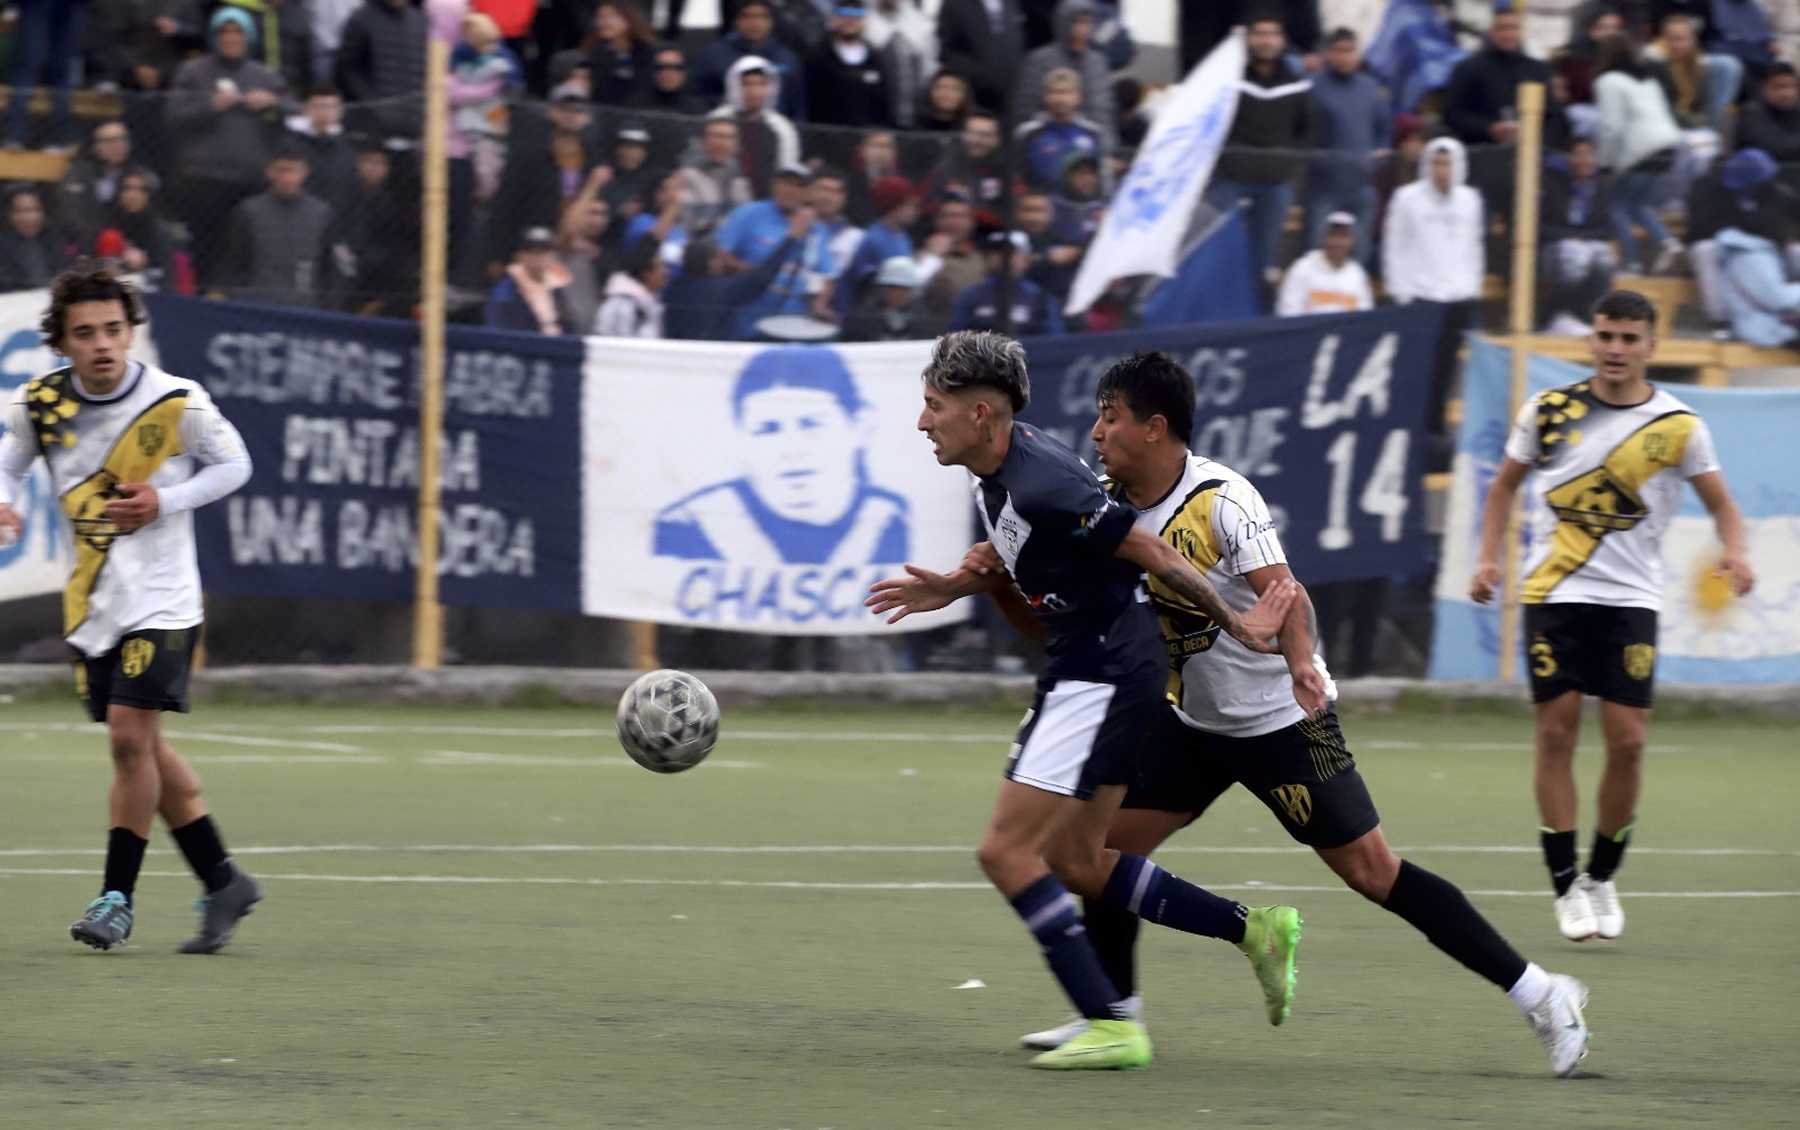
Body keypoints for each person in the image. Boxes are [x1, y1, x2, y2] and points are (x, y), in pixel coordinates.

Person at [988, 351, 1595, 1077]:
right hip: (1188, 722)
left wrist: (1302, 661)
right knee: (1099, 857)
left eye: (1109, 417)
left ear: (1154, 428)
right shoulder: (1105, 502)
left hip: (1278, 722)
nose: (1094, 433)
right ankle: (1113, 1015)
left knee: (1374, 872)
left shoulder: (1223, 500)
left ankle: (1543, 994)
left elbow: (1289, 595)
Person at [863, 331, 1300, 1070]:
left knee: (1006, 852)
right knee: (1077, 859)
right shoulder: (1002, 463)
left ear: (979, 414)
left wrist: (1241, 623)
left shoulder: (1042, 480)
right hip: (1099, 665)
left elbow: (1151, 553)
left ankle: (1112, 1024)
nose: (921, 422)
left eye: (933, 406)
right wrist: (954, 584)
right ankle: (1254, 930)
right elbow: (1034, 548)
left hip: (1102, 671)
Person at [1471, 289, 1755, 944]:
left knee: (1628, 741)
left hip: (1632, 600)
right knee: (1557, 734)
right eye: (1606, 336)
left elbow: (1725, 506)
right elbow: (1504, 486)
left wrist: (1736, 553)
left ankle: (1603, 875)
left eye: (1630, 338)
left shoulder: (1681, 426)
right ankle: (1567, 883)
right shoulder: (1549, 410)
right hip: (1555, 594)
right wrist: (1488, 560)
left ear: (1653, 345)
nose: (1616, 349)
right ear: (1592, 340)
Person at [0, 265, 262, 955]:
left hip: (166, 599)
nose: (104, 345)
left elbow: (235, 465)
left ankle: (116, 899)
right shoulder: (41, 403)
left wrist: (164, 501)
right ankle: (223, 879)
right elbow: (10, 458)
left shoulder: (177, 400)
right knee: (143, 746)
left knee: (126, 739)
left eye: (114, 329)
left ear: (130, 330)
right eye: (85, 333)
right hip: (95, 603)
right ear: (61, 343)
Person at [655, 346, 910, 563]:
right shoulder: (689, 524)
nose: (791, 449)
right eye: (767, 429)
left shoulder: (896, 522)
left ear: (860, 426)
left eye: (811, 425)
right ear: (739, 438)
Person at [166, 10, 291, 288]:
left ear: (248, 38)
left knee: (246, 253)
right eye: (225, 33)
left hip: (251, 181)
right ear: (215, 36)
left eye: (238, 33)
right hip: (205, 179)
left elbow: (293, 113)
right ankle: (203, 303)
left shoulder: (264, 76)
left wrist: (272, 104)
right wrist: (211, 106)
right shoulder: (194, 71)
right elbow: (173, 114)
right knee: (206, 251)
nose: (231, 39)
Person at [1206, 9, 1314, 286]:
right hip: (1230, 181)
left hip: (1274, 186)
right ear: (1248, 38)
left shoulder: (1297, 83)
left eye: (1273, 34)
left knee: (1263, 259)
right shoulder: (1226, 76)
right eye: (1260, 34)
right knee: (1216, 252)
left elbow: (1305, 129)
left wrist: (1286, 163)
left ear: (1282, 40)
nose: (1266, 41)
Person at [1442, 7, 1566, 228]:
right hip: (1482, 163)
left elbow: (1556, 118)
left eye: (1513, 28)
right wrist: (1489, 128)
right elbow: (1453, 114)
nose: (1508, 34)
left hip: (1527, 165)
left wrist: (1532, 137)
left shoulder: (1537, 70)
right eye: (1502, 28)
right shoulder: (1469, 69)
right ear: (1492, 31)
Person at [1593, 34, 1685, 274]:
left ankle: (1631, 262)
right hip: (1669, 146)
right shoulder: (1648, 81)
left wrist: (1606, 164)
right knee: (1637, 204)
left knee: (1616, 206)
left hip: (1642, 150)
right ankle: (1668, 242)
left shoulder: (1608, 81)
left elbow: (1612, 127)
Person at [1305, 28, 1388, 263]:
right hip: (1323, 189)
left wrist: (1379, 156)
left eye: (1349, 51)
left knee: (1358, 258)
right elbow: (1301, 134)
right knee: (1317, 256)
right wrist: (1321, 159)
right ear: (1327, 54)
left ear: (1357, 54)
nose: (1344, 57)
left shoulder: (1370, 88)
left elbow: (1384, 130)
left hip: (1362, 187)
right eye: (1338, 51)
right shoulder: (1312, 88)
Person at [219, 148, 334, 308]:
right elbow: (234, 259)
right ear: (269, 172)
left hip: (305, 304)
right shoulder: (249, 210)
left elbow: (329, 264)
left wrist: (326, 302)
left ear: (305, 173)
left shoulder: (321, 213)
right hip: (257, 302)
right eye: (281, 171)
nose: (287, 177)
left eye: (294, 171)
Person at [1711, 148, 1800, 346]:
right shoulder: (1751, 255)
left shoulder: (1761, 249)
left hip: (1775, 323)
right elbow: (1776, 298)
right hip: (1764, 329)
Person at [1538, 139, 1619, 334]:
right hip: (1554, 247)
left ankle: (1588, 318)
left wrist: (1581, 237)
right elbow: (1540, 226)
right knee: (1575, 254)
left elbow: (1608, 229)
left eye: (1589, 154)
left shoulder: (1601, 187)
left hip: (1588, 243)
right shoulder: (1552, 183)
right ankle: (1554, 316)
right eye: (1579, 154)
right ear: (1569, 158)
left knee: (1604, 254)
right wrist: (1572, 237)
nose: (1584, 160)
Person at [1013, 0, 1116, 149]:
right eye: (1077, 23)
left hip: (1090, 148)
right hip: (1045, 146)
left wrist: (1108, 148)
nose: (1083, 30)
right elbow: (1025, 110)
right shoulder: (1040, 60)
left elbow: (1104, 111)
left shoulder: (1098, 63)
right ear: (1063, 23)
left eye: (1087, 23)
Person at [696, 1, 807, 120]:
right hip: (725, 128)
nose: (755, 22)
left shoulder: (788, 58)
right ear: (737, 20)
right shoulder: (713, 56)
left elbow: (797, 106)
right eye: (747, 16)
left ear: (771, 21)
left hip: (776, 130)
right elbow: (699, 98)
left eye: (761, 17)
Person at [334, 0, 428, 139]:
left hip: (414, 125)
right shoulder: (361, 19)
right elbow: (346, 70)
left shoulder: (420, 22)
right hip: (372, 128)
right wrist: (374, 105)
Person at [1, 0, 87, 150]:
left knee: (37, 70)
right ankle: (51, 139)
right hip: (53, 9)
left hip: (56, 10)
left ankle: (18, 137)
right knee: (43, 71)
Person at [949, 229, 1065, 336]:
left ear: (1026, 259)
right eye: (995, 253)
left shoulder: (1040, 298)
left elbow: (1054, 343)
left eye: (1011, 252)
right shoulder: (971, 295)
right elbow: (954, 337)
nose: (1002, 257)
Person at [717, 59, 803, 199]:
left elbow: (786, 171)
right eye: (747, 84)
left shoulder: (782, 128)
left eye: (761, 84)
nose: (754, 91)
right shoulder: (719, 119)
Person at [1014, 68, 1104, 194]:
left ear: (1079, 97)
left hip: (1080, 209)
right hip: (1041, 207)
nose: (1060, 99)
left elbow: (1099, 180)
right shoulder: (1028, 133)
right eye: (1054, 92)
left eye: (1066, 92)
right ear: (1045, 96)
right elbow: (1017, 177)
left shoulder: (1093, 133)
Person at [1275, 212, 1373, 316]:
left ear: (1352, 241)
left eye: (1343, 237)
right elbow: (1287, 312)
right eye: (1333, 235)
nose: (1338, 242)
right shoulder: (1302, 267)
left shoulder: (1358, 274)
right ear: (1323, 238)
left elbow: (1365, 317)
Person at [935, 0, 1024, 115]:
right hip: (973, 97)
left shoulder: (1013, 4)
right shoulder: (954, 4)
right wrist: (981, 75)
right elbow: (947, 52)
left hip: (1011, 97)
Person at [58, 122, 138, 248]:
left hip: (130, 247)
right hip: (86, 245)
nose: (119, 145)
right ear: (96, 147)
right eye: (112, 141)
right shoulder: (78, 173)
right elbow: (72, 217)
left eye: (124, 139)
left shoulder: (139, 175)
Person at [865, 0, 938, 128]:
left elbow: (930, 69)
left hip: (915, 114)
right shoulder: (862, 21)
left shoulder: (921, 24)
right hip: (873, 117)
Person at [922, 110, 1007, 220]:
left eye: (985, 135)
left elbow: (1015, 211)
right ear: (961, 135)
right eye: (971, 134)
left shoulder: (1006, 173)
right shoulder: (943, 171)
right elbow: (925, 208)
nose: (977, 140)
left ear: (997, 140)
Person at [286, 87, 358, 214]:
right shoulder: (290, 144)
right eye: (319, 106)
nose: (325, 112)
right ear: (306, 109)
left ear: (340, 111)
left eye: (331, 107)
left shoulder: (350, 147)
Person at [678, 117, 755, 236]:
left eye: (729, 138)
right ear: (703, 141)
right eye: (716, 136)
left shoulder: (739, 175)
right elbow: (687, 224)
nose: (722, 143)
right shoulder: (686, 174)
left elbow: (745, 217)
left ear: (736, 145)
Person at [584, 1, 658, 105]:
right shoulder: (592, 52)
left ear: (628, 19)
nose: (604, 21)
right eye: (600, 17)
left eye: (611, 16)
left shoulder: (646, 52)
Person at [594, 236, 668, 337]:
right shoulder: (623, 304)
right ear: (646, 273)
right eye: (660, 267)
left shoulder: (647, 303)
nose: (666, 272)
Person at [0, 187, 70, 293]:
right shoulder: (3, 244)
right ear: (10, 215)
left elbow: (65, 270)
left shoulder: (53, 238)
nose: (30, 217)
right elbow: (6, 283)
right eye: (21, 211)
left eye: (36, 210)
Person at [843, 255, 927, 340]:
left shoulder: (922, 317)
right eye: (893, 287)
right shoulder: (862, 318)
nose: (898, 293)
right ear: (882, 287)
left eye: (904, 288)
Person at [1737, 63, 1800, 175]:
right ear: (1765, 88)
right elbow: (1770, 148)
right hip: (1760, 183)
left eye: (1791, 87)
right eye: (1778, 87)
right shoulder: (1751, 112)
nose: (1786, 93)